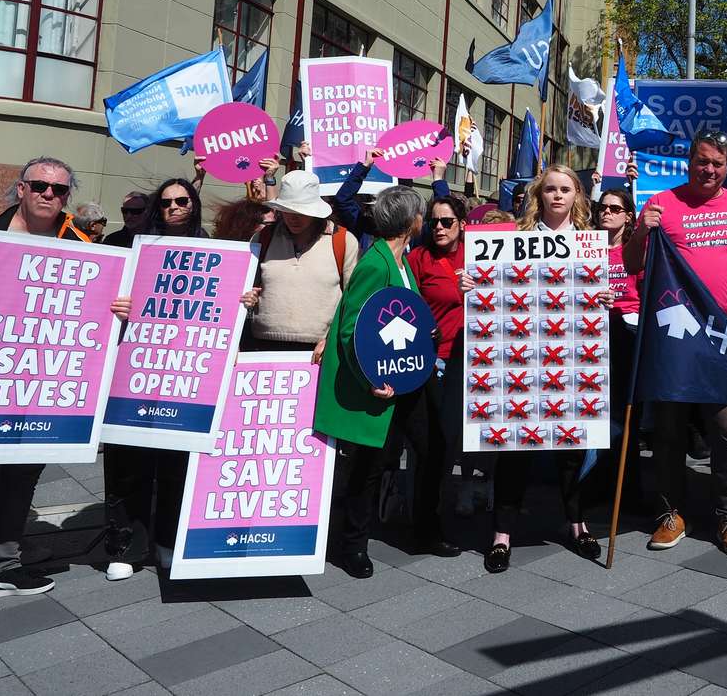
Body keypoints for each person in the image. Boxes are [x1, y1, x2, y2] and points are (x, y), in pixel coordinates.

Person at [624, 131, 727, 556]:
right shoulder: (661, 204)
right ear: (690, 161)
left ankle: (726, 517)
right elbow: (632, 265)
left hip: (724, 338)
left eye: (718, 164)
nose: (709, 170)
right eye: (702, 161)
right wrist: (640, 233)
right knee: (667, 432)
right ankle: (669, 515)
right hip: (674, 338)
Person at [464, 165, 603, 573]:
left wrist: (603, 296)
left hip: (575, 356)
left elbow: (591, 293)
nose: (557, 196)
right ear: (538, 196)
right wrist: (474, 285)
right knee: (514, 449)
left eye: (565, 189)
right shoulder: (514, 239)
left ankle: (578, 524)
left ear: (577, 196)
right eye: (550, 190)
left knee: (573, 449)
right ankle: (502, 535)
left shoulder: (588, 243)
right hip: (520, 357)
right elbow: (493, 285)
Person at [0, 158, 127, 597]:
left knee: (21, 472)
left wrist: (118, 307)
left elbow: (99, 298)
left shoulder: (80, 243)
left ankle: (6, 558)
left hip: (41, 380)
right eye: (39, 185)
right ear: (21, 189)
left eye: (58, 190)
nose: (48, 195)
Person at [315, 186, 459, 579]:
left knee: (432, 452)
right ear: (413, 222)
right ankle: (353, 546)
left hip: (412, 377)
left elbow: (404, 316)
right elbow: (351, 329)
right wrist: (369, 380)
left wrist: (426, 334)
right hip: (381, 386)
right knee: (371, 466)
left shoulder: (403, 262)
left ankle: (426, 530)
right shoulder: (375, 264)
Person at [101, 177, 227, 581]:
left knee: (177, 464)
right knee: (128, 463)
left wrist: (244, 298)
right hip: (136, 370)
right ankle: (126, 545)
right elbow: (103, 295)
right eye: (168, 201)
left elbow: (223, 305)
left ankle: (168, 541)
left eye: (183, 201)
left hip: (185, 375)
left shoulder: (216, 250)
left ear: (193, 206)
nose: (175, 207)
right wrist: (117, 305)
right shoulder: (133, 247)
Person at [406, 195, 490, 519]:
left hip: (474, 358)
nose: (439, 227)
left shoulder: (479, 254)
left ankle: (466, 487)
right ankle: (419, 500)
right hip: (435, 360)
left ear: (463, 225)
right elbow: (407, 304)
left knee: (470, 431)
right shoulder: (419, 258)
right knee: (433, 436)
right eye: (434, 222)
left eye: (447, 221)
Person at [240, 171, 359, 356]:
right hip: (261, 347)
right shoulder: (263, 238)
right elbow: (243, 288)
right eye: (288, 210)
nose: (293, 217)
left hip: (320, 350)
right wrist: (248, 297)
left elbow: (353, 301)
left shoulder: (343, 241)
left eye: (301, 211)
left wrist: (333, 340)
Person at [596, 187, 645, 513]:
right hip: (594, 334)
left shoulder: (636, 251)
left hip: (628, 331)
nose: (607, 213)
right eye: (603, 207)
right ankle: (599, 482)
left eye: (615, 208)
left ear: (629, 216)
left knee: (625, 415)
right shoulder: (585, 248)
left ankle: (627, 486)